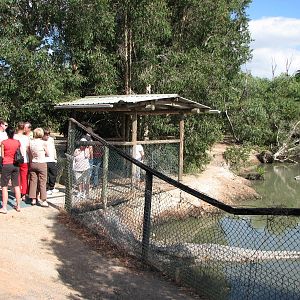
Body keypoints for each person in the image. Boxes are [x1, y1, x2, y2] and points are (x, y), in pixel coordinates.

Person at [0, 126, 22, 213]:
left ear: (7, 133)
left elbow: (2, 156)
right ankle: (18, 206)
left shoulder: (3, 143)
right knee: (16, 185)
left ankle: (4, 207)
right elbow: (18, 153)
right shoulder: (18, 142)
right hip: (16, 165)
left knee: (4, 186)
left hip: (6, 164)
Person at [28, 128, 49, 207]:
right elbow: (48, 153)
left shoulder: (31, 142)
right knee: (42, 182)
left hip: (33, 162)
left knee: (33, 181)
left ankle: (33, 199)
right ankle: (43, 200)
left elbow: (30, 153)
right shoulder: (44, 143)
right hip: (41, 163)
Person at [14, 122, 30, 201]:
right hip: (25, 159)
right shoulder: (26, 138)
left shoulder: (14, 136)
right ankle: (24, 194)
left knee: (17, 177)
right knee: (24, 177)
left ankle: (18, 193)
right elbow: (27, 149)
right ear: (24, 128)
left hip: (16, 159)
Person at [43, 128, 59, 195]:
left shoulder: (51, 140)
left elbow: (53, 149)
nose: (47, 136)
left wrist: (55, 157)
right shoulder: (41, 141)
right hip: (45, 160)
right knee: (46, 175)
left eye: (48, 134)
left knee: (53, 173)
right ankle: (46, 188)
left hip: (52, 159)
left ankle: (52, 187)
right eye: (46, 134)